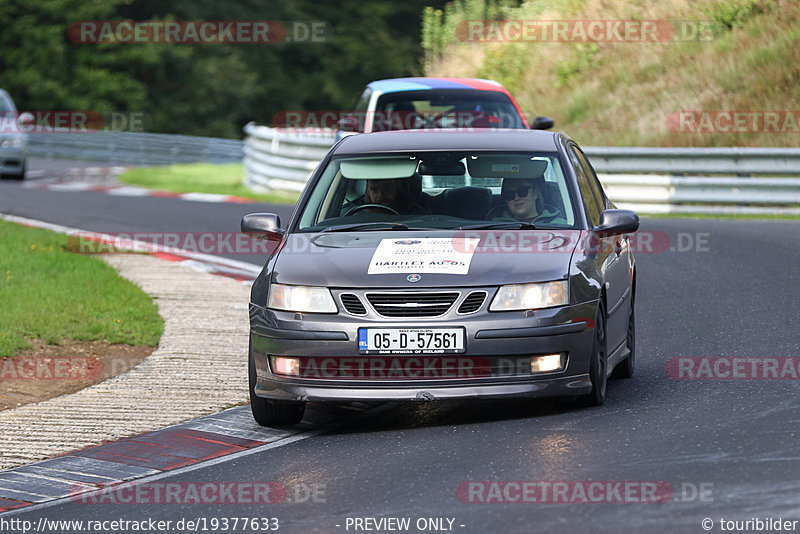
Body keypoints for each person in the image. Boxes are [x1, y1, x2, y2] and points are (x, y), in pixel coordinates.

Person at [493, 177, 565, 224]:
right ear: (505, 200)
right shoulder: (491, 227)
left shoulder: (560, 225)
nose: (516, 198)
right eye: (509, 195)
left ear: (535, 193)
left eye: (522, 192)